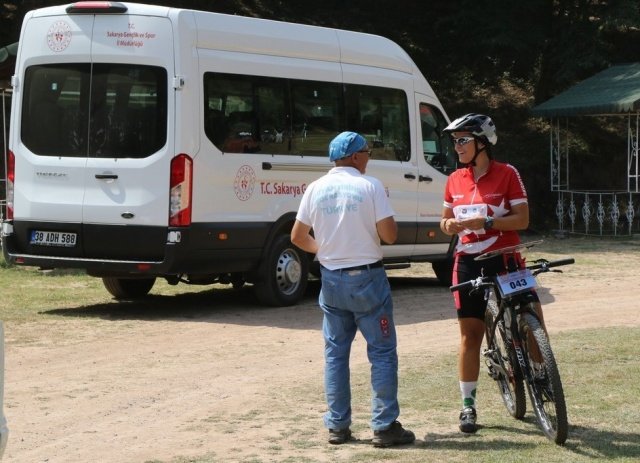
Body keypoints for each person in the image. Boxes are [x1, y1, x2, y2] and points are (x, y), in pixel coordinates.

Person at [291, 131, 415, 447]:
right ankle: (384, 426)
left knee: (335, 354)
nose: (369, 158)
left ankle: (338, 426)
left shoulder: (315, 188)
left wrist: (324, 249)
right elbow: (389, 235)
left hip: (331, 279)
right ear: (357, 156)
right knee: (382, 352)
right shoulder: (370, 185)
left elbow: (297, 236)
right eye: (368, 153)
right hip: (368, 278)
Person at [440, 113, 537, 433]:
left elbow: (522, 219)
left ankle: (541, 377)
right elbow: (444, 221)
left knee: (533, 322)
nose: (457, 147)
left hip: (505, 257)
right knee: (470, 336)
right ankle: (468, 405)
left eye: (463, 140)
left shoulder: (507, 173)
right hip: (468, 260)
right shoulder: (454, 179)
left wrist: (489, 222)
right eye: (454, 142)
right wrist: (449, 225)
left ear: (482, 142)